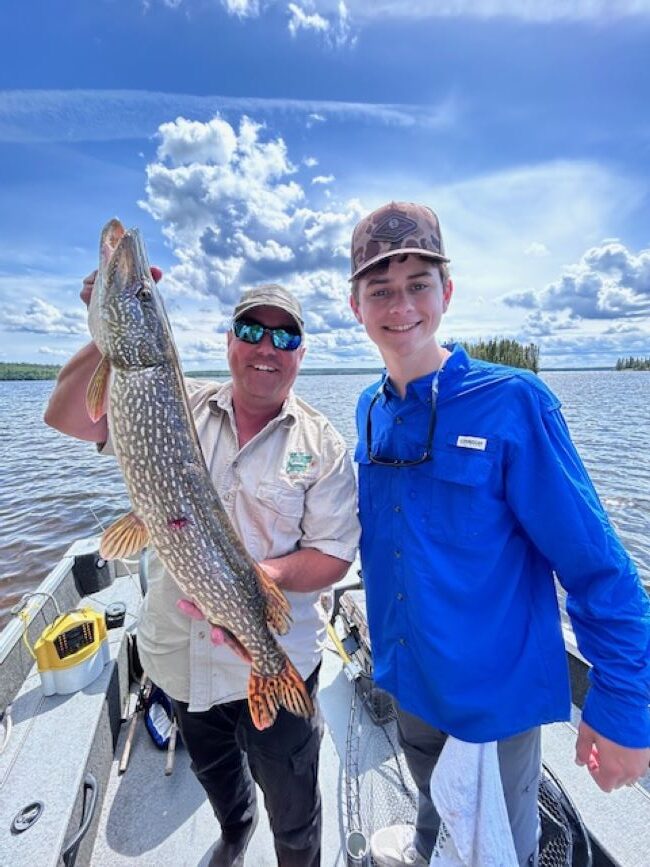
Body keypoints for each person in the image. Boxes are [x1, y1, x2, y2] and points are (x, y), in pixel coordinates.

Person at [348, 201, 650, 866]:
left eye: (418, 285)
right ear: (356, 305)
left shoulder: (515, 402)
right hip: (406, 678)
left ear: (446, 292)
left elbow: (598, 567)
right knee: (434, 802)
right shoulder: (371, 409)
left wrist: (624, 703)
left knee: (494, 845)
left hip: (490, 701)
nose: (401, 306)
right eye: (381, 289)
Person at [45, 276, 360, 867]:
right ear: (229, 341)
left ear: (300, 351)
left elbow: (335, 555)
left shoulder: (323, 444)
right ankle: (236, 834)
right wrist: (102, 333)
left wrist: (259, 578)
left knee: (294, 810)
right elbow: (64, 415)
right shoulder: (169, 400)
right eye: (251, 329)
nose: (266, 345)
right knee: (219, 782)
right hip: (181, 662)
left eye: (284, 334)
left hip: (281, 652)